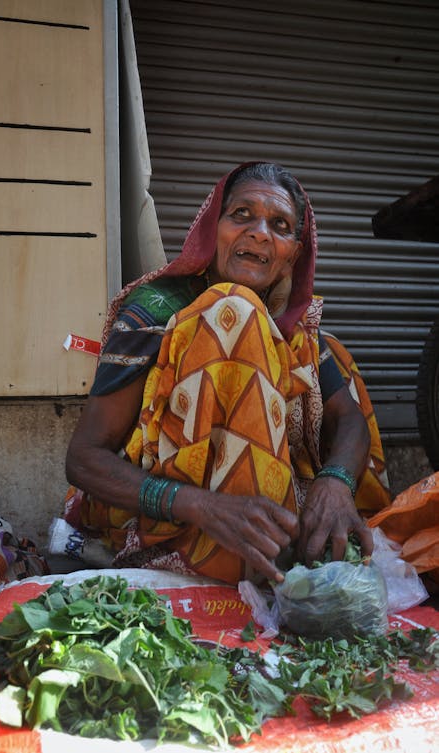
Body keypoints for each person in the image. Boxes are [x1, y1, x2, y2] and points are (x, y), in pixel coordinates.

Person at [64, 162, 391, 586]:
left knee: (335, 356)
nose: (259, 232)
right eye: (241, 215)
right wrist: (202, 506)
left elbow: (347, 418)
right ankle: (214, 554)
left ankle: (323, 539)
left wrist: (336, 482)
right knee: (234, 310)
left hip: (261, 508)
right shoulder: (156, 310)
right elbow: (84, 458)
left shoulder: (293, 325)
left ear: (293, 251)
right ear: (212, 228)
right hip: (156, 513)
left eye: (280, 225)